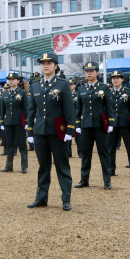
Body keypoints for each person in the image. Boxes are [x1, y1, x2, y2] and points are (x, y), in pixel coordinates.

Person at [26, 54, 75, 210]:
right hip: (40, 131)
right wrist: (30, 131)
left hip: (58, 131)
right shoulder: (35, 86)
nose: (45, 66)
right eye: (43, 63)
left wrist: (70, 129)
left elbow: (69, 109)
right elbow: (32, 111)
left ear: (55, 66)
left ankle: (66, 199)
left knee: (62, 165)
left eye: (49, 63)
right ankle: (41, 198)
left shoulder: (62, 85)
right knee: (43, 167)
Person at [75, 62, 115, 190]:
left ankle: (107, 181)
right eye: (87, 71)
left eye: (92, 71)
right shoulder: (81, 88)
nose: (89, 73)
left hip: (100, 125)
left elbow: (109, 106)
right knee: (86, 153)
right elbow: (78, 109)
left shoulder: (103, 88)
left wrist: (111, 122)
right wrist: (77, 124)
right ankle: (84, 179)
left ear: (97, 72)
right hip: (86, 125)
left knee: (104, 153)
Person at [108, 71, 130, 178]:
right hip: (113, 125)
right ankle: (111, 169)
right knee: (111, 148)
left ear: (122, 79)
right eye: (113, 78)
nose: (115, 80)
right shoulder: (109, 92)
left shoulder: (128, 92)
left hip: (125, 124)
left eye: (118, 78)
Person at [0, 72, 29, 174]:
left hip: (19, 122)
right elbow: (2, 109)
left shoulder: (22, 93)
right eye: (9, 79)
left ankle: (24, 166)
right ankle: (9, 166)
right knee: (9, 145)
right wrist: (2, 121)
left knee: (22, 144)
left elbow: (26, 108)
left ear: (18, 81)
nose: (11, 81)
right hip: (8, 122)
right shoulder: (5, 93)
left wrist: (27, 121)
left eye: (13, 79)